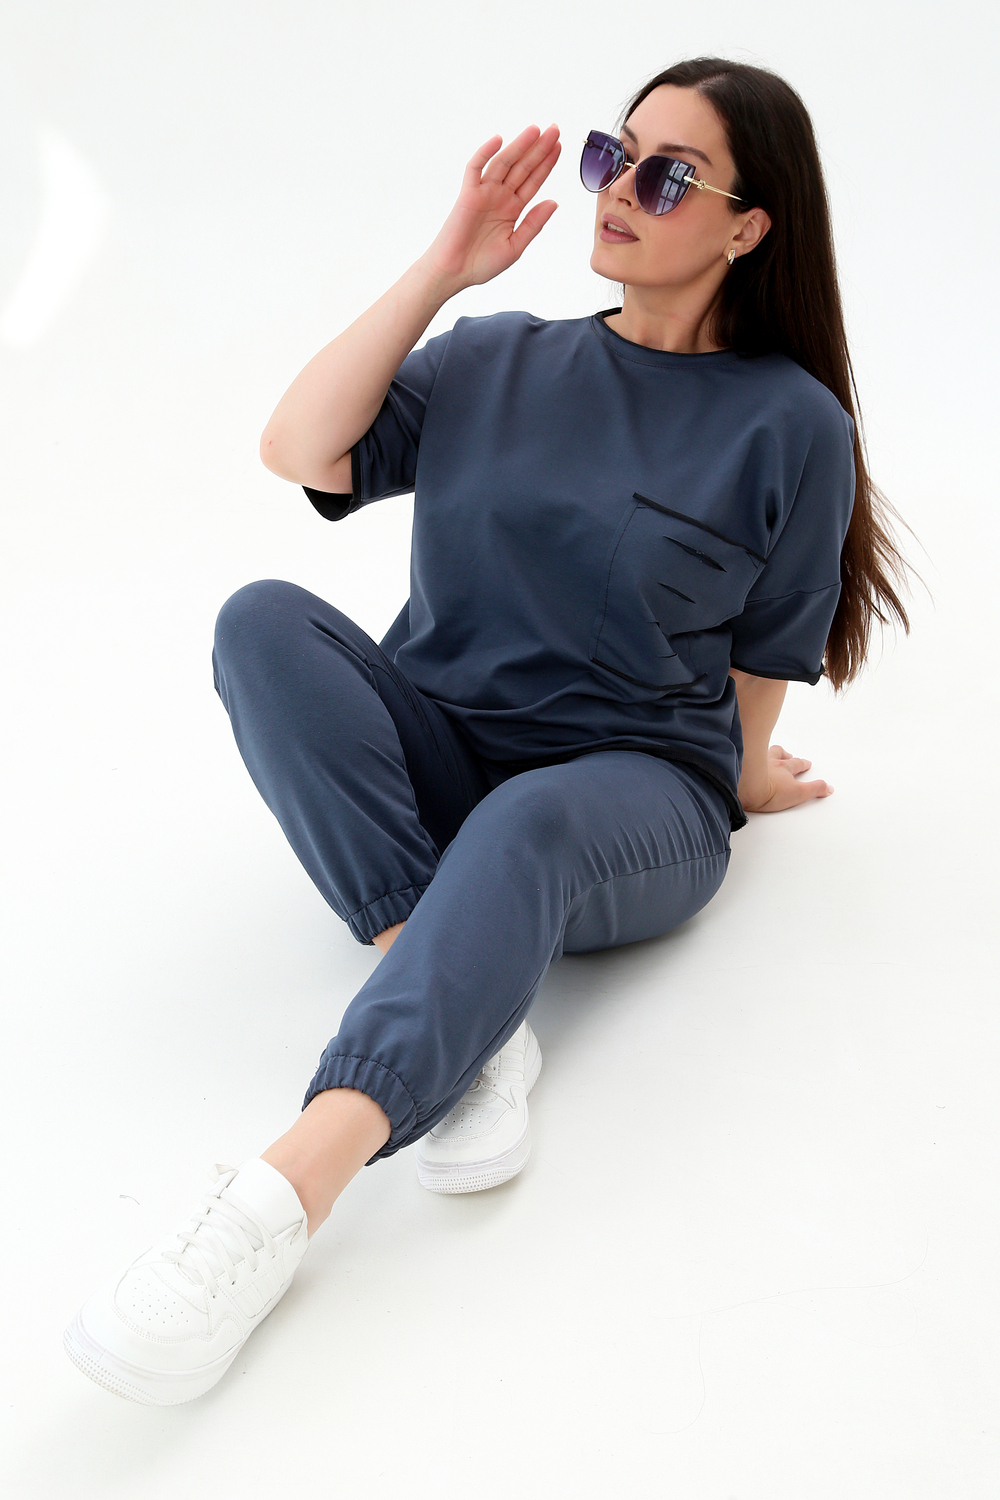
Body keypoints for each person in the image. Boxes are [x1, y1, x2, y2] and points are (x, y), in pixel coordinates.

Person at [64, 57, 912, 1406]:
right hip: (446, 752)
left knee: (529, 819)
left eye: (670, 176)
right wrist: (442, 272)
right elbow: (298, 448)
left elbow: (769, 646)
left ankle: (274, 1204)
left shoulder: (792, 425)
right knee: (260, 621)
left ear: (751, 227)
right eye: (614, 156)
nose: (619, 190)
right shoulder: (496, 356)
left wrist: (747, 773)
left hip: (633, 795)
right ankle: (461, 998)